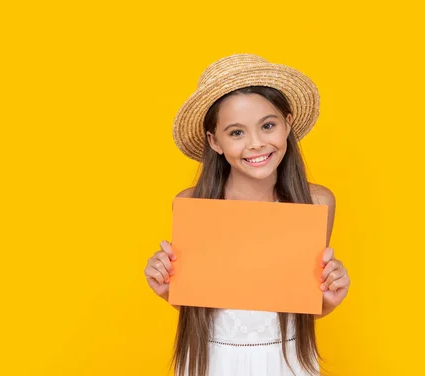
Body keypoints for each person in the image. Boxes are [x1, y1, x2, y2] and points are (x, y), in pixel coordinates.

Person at [144, 54, 351, 376]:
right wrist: (168, 288)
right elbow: (208, 302)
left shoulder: (315, 202)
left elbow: (300, 303)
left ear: (288, 124)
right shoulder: (192, 204)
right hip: (211, 360)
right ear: (215, 141)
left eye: (267, 126)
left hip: (286, 361)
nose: (256, 144)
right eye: (236, 133)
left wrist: (329, 299)